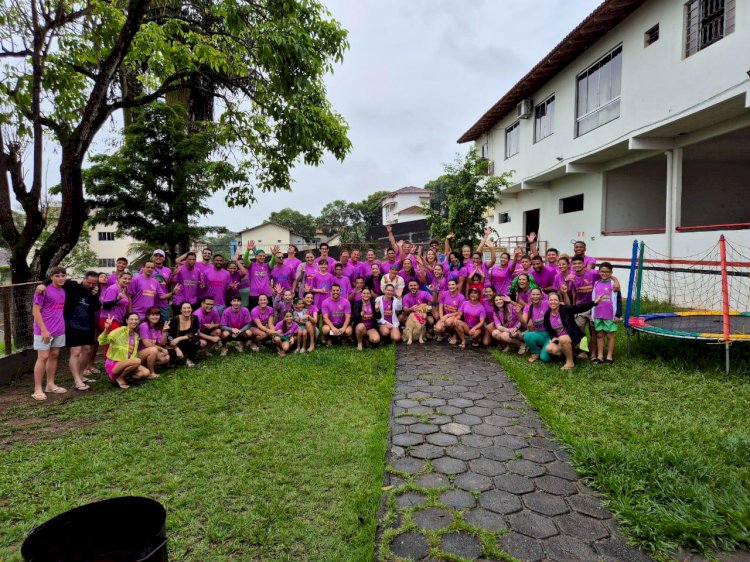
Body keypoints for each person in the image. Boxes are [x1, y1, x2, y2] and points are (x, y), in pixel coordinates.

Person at [31, 267, 68, 400]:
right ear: (51, 277)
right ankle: (37, 389)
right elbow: (35, 311)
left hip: (59, 329)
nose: (61, 278)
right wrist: (44, 330)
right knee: (43, 357)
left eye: (63, 275)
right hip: (43, 330)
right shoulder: (42, 291)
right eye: (57, 275)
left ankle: (50, 384)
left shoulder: (63, 290)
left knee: (54, 355)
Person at [543, 291, 604, 369]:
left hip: (573, 336)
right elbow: (549, 329)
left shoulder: (565, 310)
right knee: (549, 349)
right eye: (551, 300)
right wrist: (553, 337)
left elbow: (579, 307)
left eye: (555, 300)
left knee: (563, 339)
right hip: (559, 339)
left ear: (559, 302)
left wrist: (594, 302)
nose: (553, 302)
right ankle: (567, 353)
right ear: (548, 301)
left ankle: (570, 362)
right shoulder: (547, 314)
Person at [99, 312, 151, 389]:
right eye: (131, 319)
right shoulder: (119, 331)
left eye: (136, 319)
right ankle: (120, 377)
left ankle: (123, 376)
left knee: (146, 373)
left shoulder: (136, 336)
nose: (134, 321)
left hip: (127, 362)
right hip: (114, 364)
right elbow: (102, 342)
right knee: (137, 360)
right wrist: (107, 329)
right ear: (126, 321)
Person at [591, 262, 622, 364]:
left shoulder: (614, 285)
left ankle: (609, 356)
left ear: (611, 272)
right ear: (599, 272)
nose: (604, 273)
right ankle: (600, 356)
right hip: (598, 314)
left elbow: (618, 300)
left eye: (607, 272)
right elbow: (593, 299)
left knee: (610, 336)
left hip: (610, 315)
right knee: (599, 335)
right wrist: (592, 314)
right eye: (602, 271)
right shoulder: (596, 283)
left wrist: (618, 314)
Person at [167, 302, 202, 367]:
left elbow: (196, 333)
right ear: (181, 310)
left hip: (187, 342)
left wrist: (180, 338)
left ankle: (189, 359)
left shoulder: (194, 318)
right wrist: (176, 348)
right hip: (175, 344)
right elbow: (169, 336)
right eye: (184, 308)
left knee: (196, 341)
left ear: (191, 309)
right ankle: (173, 361)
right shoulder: (175, 319)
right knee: (172, 354)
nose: (187, 310)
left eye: (188, 308)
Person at [137, 307, 170, 376]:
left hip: (151, 351)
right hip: (139, 353)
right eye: (152, 315)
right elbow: (146, 344)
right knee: (153, 350)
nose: (155, 317)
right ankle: (151, 373)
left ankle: (146, 365)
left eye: (157, 315)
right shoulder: (144, 326)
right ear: (148, 316)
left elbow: (162, 343)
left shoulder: (156, 327)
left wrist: (164, 332)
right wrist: (162, 349)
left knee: (166, 358)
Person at [522, 288, 551, 362]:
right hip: (539, 334)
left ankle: (553, 348)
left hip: (551, 335)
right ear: (530, 296)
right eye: (533, 294)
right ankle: (536, 352)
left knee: (545, 358)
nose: (535, 296)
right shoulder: (528, 307)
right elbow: (524, 321)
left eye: (537, 294)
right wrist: (518, 313)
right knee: (527, 336)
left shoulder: (547, 303)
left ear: (541, 296)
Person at [171, 251, 201, 317]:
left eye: (193, 259)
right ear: (186, 260)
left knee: (190, 323)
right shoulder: (180, 269)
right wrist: (173, 274)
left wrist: (201, 285)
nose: (192, 261)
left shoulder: (197, 271)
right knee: (178, 323)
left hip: (192, 302)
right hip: (179, 301)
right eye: (189, 259)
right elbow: (173, 282)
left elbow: (199, 284)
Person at [434, 279, 465, 343]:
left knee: (448, 322)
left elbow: (459, 312)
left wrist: (447, 315)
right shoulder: (444, 294)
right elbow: (440, 306)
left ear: (457, 285)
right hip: (445, 316)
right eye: (449, 285)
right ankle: (442, 335)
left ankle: (454, 335)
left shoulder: (461, 297)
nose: (451, 286)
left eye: (453, 284)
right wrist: (441, 317)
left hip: (454, 316)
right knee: (438, 328)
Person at [245, 241, 272, 310]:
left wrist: (274, 255)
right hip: (254, 294)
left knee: (269, 312)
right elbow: (245, 259)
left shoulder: (267, 265)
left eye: (263, 256)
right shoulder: (251, 265)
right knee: (253, 313)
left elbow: (273, 261)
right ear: (256, 256)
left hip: (266, 294)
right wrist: (248, 250)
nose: (262, 257)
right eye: (260, 256)